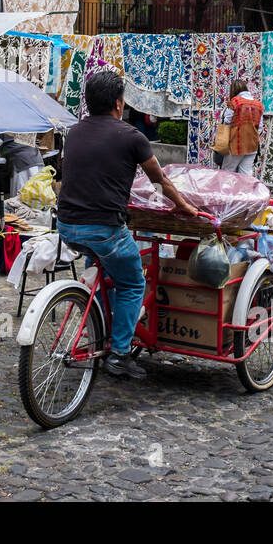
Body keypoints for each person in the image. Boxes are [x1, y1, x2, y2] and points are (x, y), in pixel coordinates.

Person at [57, 70, 200, 380]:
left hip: (67, 226)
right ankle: (120, 353)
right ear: (119, 104)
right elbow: (159, 181)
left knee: (100, 268)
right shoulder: (131, 137)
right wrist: (184, 206)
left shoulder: (74, 132)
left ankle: (96, 324)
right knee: (133, 282)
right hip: (104, 229)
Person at [213, 79, 263, 175]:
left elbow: (227, 122)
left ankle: (227, 191)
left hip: (236, 144)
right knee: (246, 175)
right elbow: (260, 127)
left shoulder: (235, 101)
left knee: (227, 174)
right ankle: (245, 190)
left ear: (233, 91)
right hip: (252, 145)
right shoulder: (258, 104)